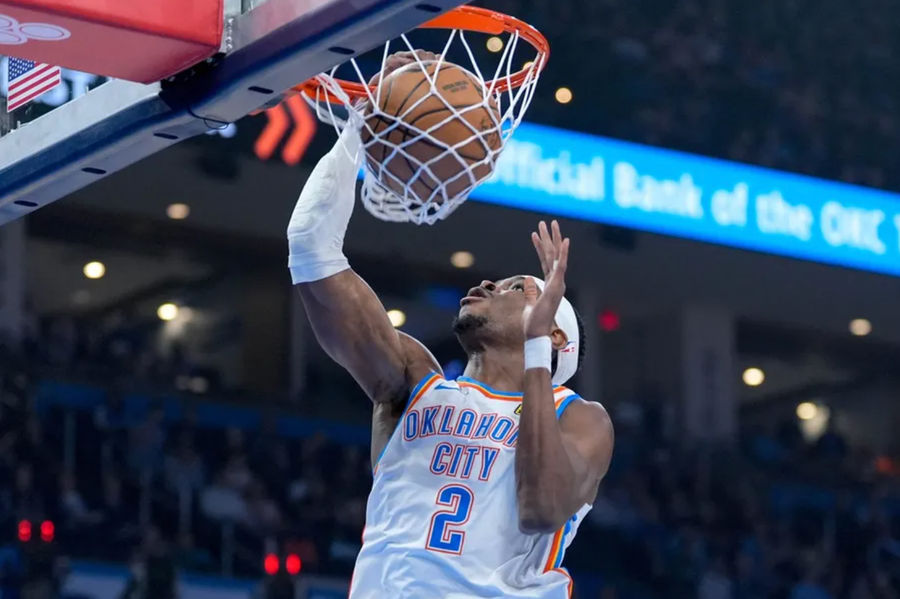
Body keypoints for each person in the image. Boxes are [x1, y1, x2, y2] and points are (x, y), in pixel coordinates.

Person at [286, 51, 614, 598]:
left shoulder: (579, 418)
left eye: (518, 289)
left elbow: (540, 509)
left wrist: (534, 351)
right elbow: (311, 249)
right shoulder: (414, 379)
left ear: (556, 336)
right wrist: (356, 133)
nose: (489, 285)